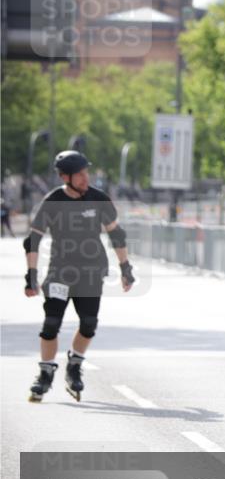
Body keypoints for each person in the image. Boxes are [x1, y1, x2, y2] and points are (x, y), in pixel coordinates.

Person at [23, 151, 135, 402]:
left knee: (89, 323)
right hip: (60, 272)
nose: (86, 178)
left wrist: (126, 268)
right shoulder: (52, 201)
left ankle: (74, 365)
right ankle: (45, 373)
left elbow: (117, 235)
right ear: (65, 177)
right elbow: (34, 238)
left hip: (90, 273)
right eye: (80, 174)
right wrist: (31, 274)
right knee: (51, 324)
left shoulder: (98, 199)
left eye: (87, 173)